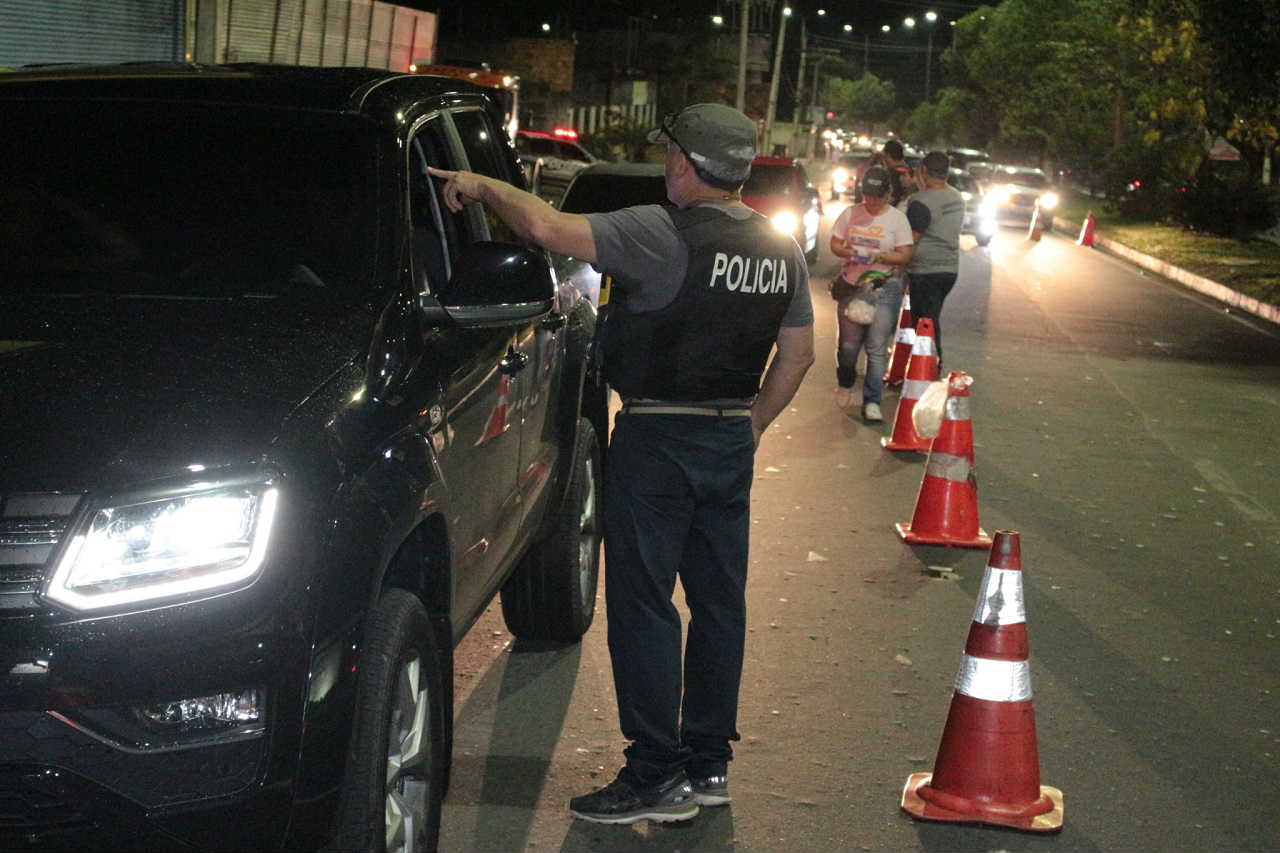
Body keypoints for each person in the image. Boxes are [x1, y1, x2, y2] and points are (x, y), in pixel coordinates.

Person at [430, 102, 815, 825]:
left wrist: (482, 186)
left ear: (684, 163)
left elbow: (544, 226)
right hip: (730, 437)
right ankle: (708, 765)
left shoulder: (658, 231)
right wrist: (753, 422)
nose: (665, 164)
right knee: (718, 604)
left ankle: (653, 772)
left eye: (670, 153)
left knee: (643, 605)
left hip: (657, 440)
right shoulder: (779, 248)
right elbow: (798, 355)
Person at [828, 166, 914, 423]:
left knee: (877, 347)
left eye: (877, 196)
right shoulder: (850, 214)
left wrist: (881, 256)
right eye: (867, 195)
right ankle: (845, 381)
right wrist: (851, 252)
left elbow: (905, 254)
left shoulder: (897, 220)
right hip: (852, 284)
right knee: (848, 346)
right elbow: (835, 244)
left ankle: (872, 401)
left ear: (888, 193)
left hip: (884, 287)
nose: (871, 201)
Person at [903, 151, 965, 367]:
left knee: (924, 322)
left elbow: (911, 239)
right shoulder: (957, 197)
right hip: (949, 269)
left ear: (923, 171)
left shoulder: (920, 201)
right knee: (931, 317)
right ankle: (928, 364)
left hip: (924, 271)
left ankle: (928, 367)